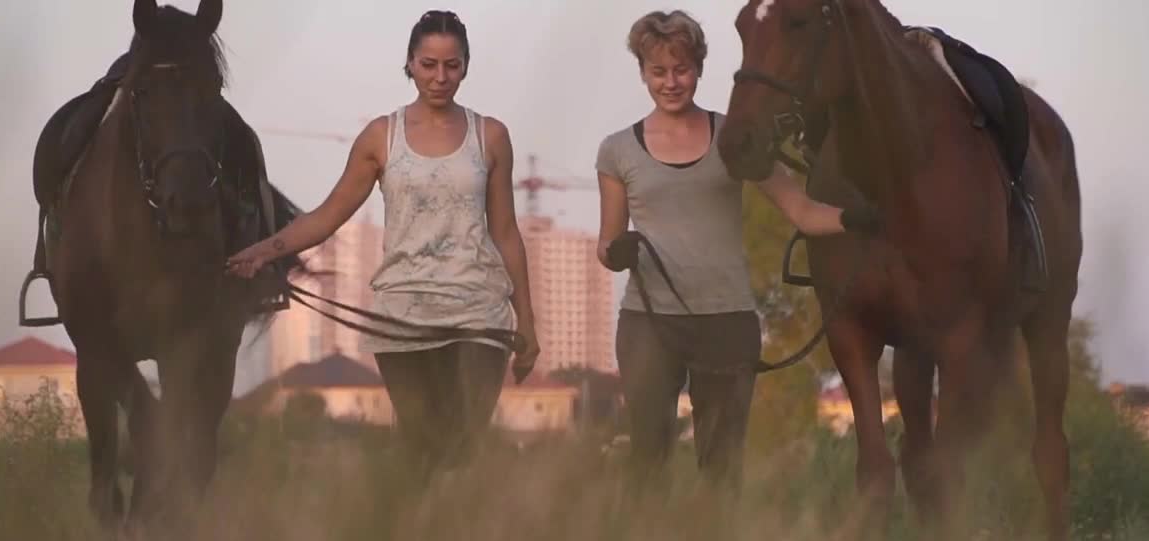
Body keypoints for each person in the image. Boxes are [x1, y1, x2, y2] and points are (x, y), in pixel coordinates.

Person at [225, 9, 540, 481]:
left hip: (479, 312)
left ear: (466, 66)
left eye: (451, 65)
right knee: (421, 450)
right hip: (402, 315)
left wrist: (528, 323)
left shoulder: (491, 136)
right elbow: (329, 215)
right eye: (428, 64)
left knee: (463, 448)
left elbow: (506, 233)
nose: (440, 76)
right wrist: (263, 251)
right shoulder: (381, 136)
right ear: (410, 63)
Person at [596, 10, 878, 489]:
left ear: (699, 68)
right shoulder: (617, 150)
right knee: (646, 460)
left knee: (722, 468)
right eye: (658, 72)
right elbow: (606, 243)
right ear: (643, 73)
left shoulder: (734, 137)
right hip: (648, 323)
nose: (671, 82)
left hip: (726, 321)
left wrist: (858, 219)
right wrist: (616, 252)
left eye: (681, 69)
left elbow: (802, 211)